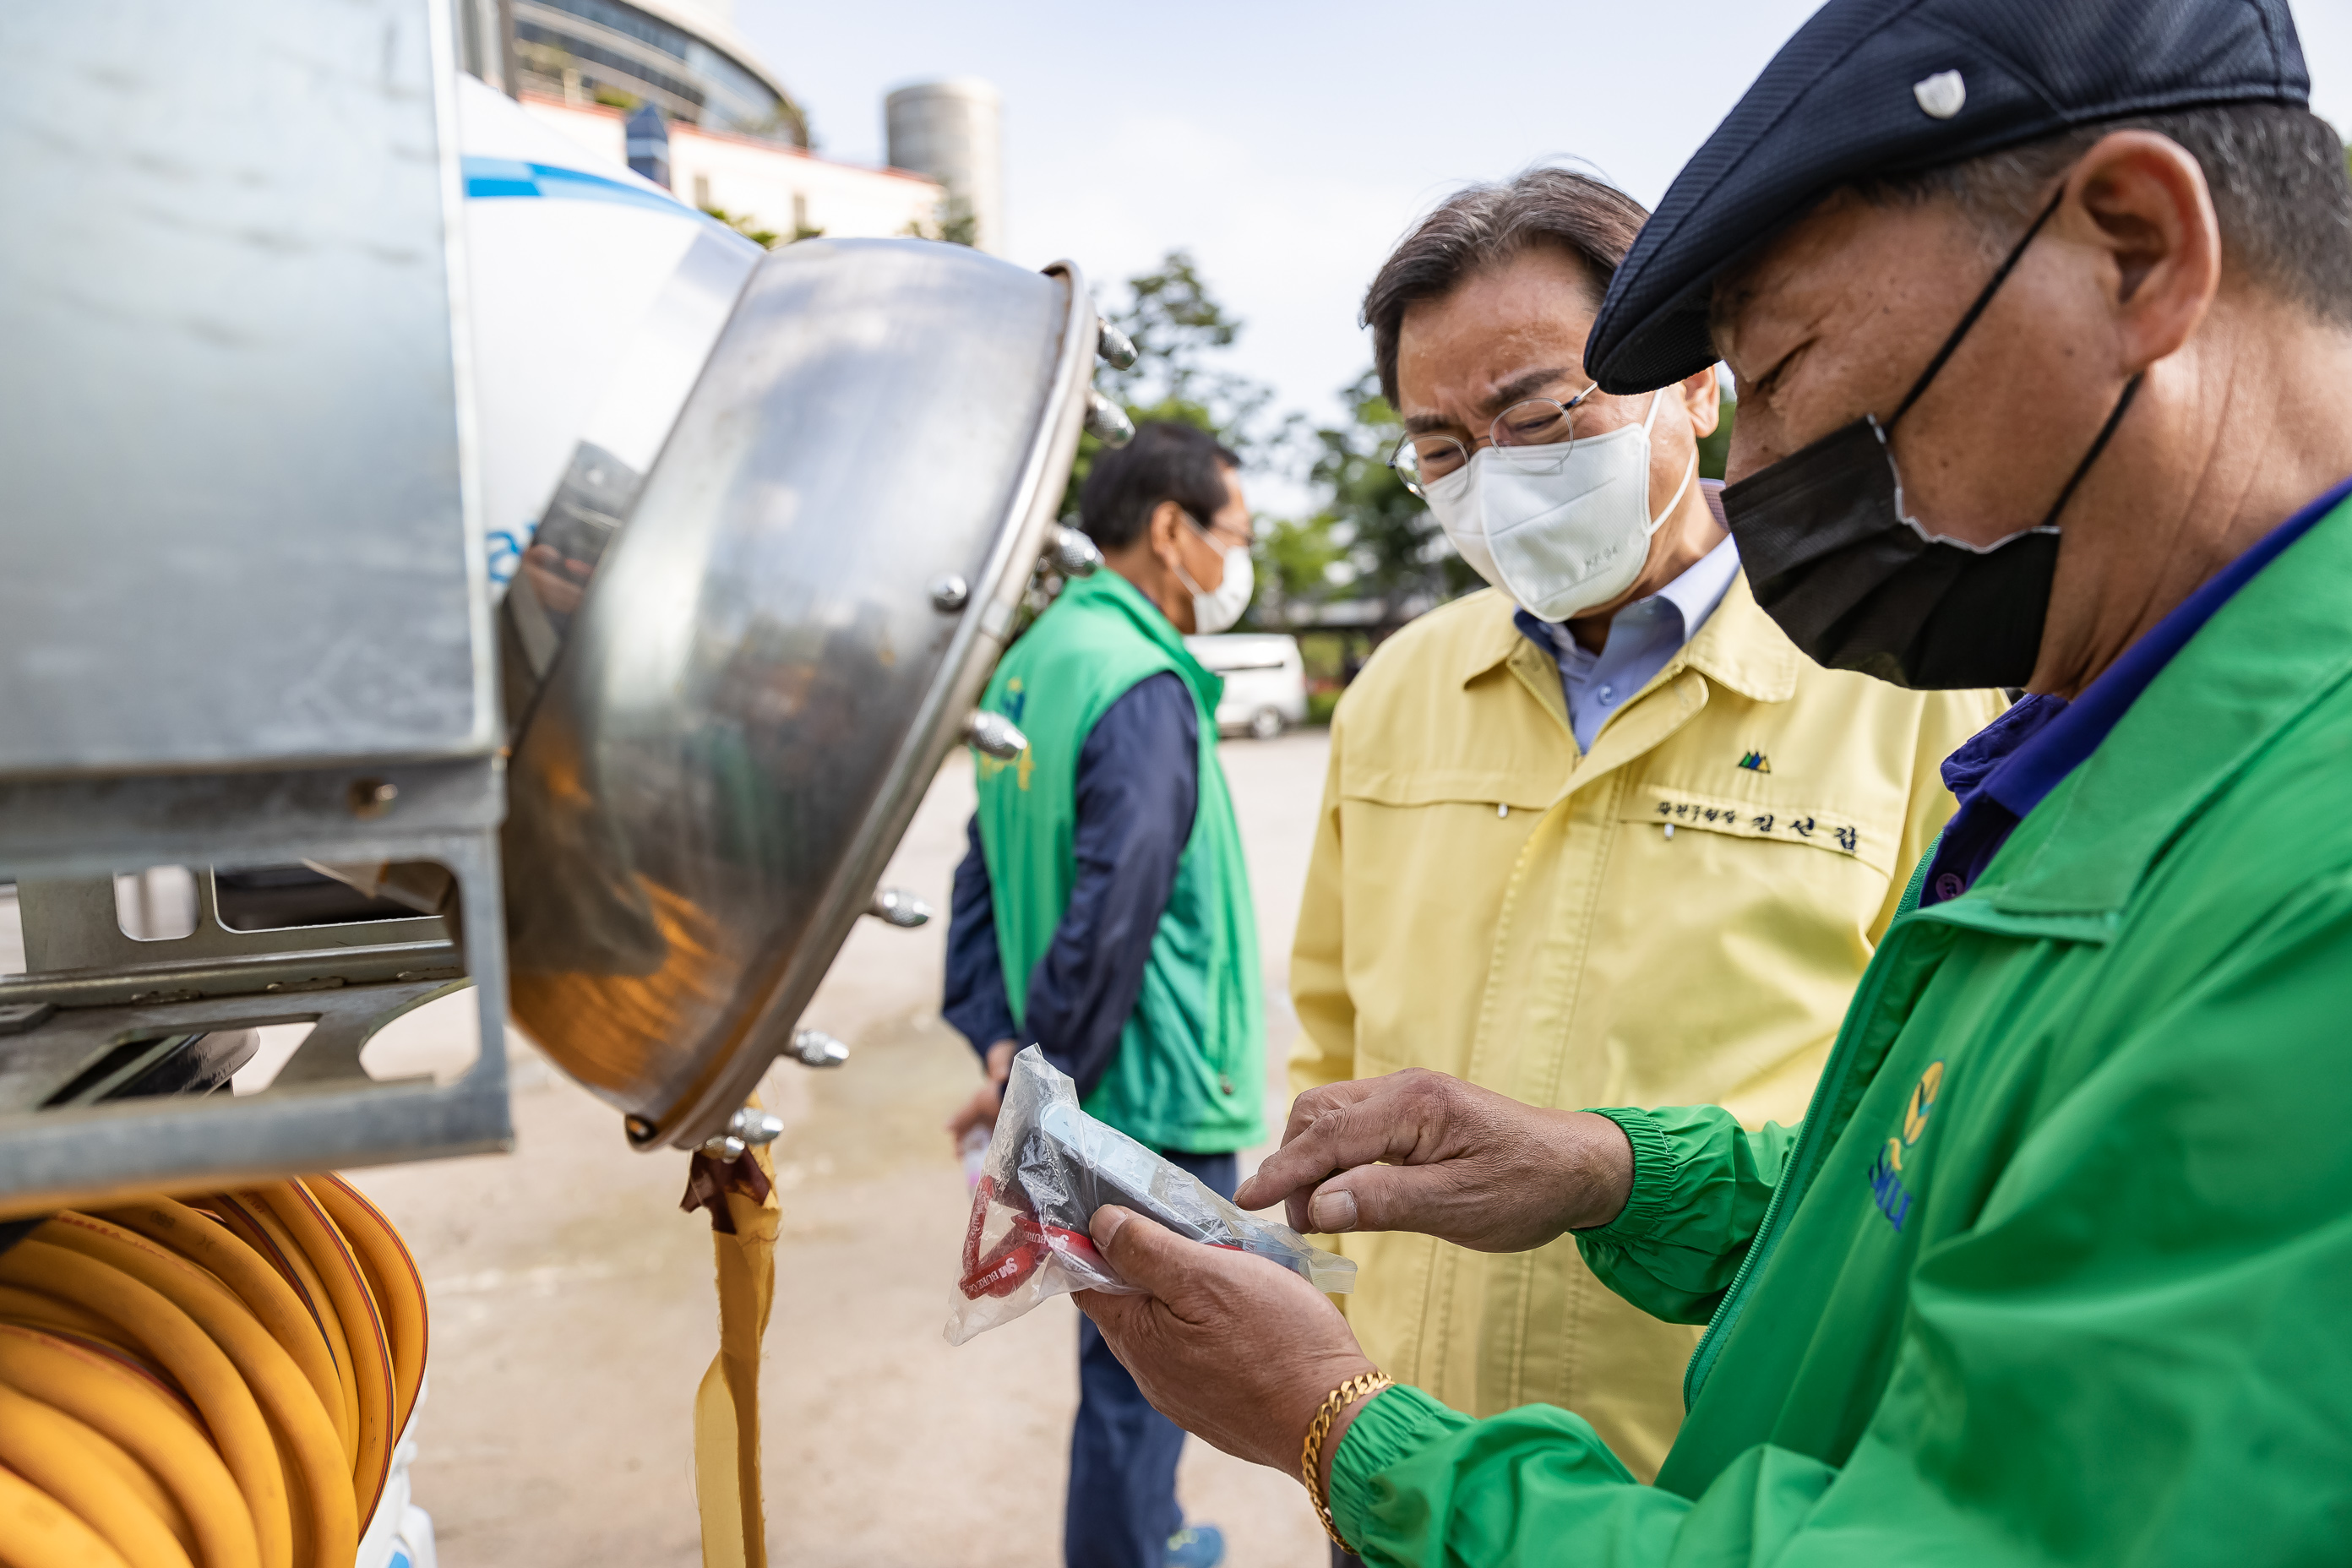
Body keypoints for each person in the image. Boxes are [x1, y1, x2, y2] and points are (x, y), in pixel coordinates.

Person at [1067, 1, 2352, 1562]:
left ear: (2136, 253)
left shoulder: (2292, 872)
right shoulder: (2118, 751)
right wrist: (1612, 1172)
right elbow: (1912, 1196)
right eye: (1440, 447)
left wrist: (1352, 1436)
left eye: (1791, 369)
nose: (1767, 467)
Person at [1289, 168, 2001, 1499]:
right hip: (1396, 1455)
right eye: (1442, 448)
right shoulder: (1397, 690)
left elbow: (1947, 1113)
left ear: (1696, 383)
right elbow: (1331, 1038)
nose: (1496, 481)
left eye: (1545, 413)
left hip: (1717, 1482)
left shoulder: (1908, 689)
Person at [942, 422, 1266, 1568]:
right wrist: (1046, 1068)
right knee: (1153, 1362)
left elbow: (979, 870)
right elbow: (1118, 897)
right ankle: (1138, 1551)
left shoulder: (1035, 660)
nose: (1243, 559)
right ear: (1171, 531)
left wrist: (999, 1039)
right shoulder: (1138, 677)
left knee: (1118, 1354)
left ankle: (1148, 1536)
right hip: (1156, 1087)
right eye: (1237, 533)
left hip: (1076, 1075)